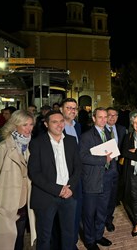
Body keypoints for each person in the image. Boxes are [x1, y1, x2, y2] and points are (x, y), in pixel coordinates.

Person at [28, 110, 82, 250]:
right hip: (46, 197)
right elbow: (34, 173)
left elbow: (78, 167)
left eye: (61, 121)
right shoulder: (37, 143)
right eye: (54, 122)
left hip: (69, 195)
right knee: (45, 237)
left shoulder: (71, 140)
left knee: (68, 235)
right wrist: (58, 190)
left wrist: (70, 188)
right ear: (46, 124)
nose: (59, 125)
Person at [0, 110, 35, 250]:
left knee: (19, 237)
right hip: (5, 204)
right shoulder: (3, 148)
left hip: (24, 203)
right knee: (4, 242)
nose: (29, 128)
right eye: (24, 124)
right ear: (15, 125)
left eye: (31, 124)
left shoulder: (28, 147)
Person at [79, 107, 114, 250]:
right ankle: (89, 240)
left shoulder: (108, 133)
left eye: (105, 117)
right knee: (89, 213)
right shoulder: (86, 136)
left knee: (102, 211)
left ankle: (99, 236)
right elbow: (82, 156)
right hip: (92, 179)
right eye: (100, 117)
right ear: (94, 118)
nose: (103, 120)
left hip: (106, 178)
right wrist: (103, 159)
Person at [60, 98, 82, 249]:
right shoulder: (56, 126)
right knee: (63, 214)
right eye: (69, 108)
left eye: (74, 108)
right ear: (62, 109)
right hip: (62, 176)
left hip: (76, 175)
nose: (72, 111)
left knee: (75, 211)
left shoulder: (77, 126)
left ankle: (72, 242)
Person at [104, 107, 126, 232]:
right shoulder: (100, 130)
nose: (112, 117)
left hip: (117, 167)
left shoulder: (122, 129)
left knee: (113, 196)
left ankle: (109, 219)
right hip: (104, 168)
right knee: (104, 197)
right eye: (109, 115)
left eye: (115, 115)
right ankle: (101, 219)